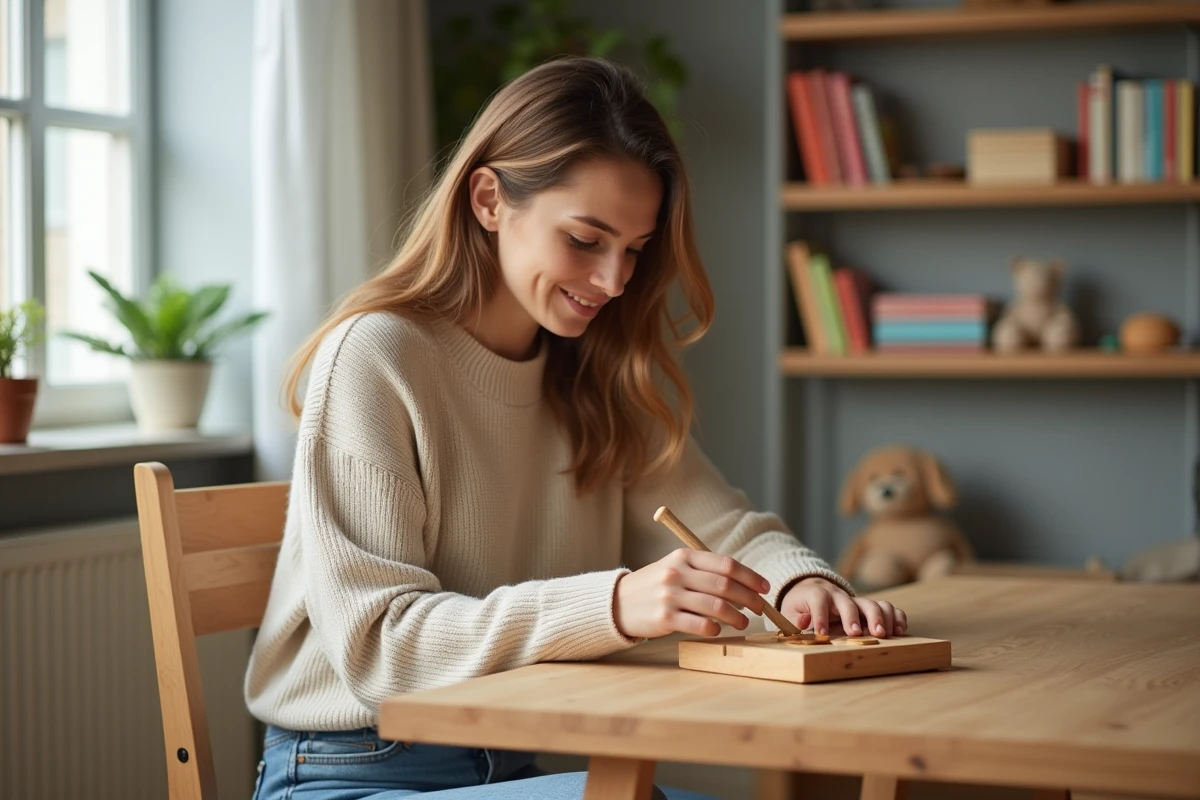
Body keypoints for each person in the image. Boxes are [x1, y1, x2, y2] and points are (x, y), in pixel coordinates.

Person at [245, 55, 907, 800]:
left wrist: (800, 586)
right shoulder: (377, 356)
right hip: (354, 773)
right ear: (490, 200)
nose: (615, 282)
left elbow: (726, 530)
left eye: (635, 249)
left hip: (522, 760)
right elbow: (379, 645)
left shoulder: (591, 373)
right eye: (586, 240)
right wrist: (618, 604)